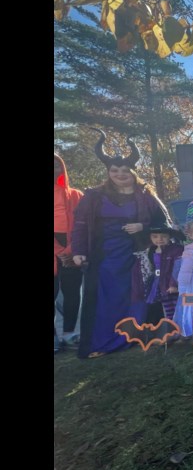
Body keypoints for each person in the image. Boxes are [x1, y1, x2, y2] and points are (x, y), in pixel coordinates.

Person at [71, 132, 171, 359]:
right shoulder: (94, 196)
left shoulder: (145, 194)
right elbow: (79, 224)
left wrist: (143, 227)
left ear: (133, 172)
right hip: (104, 257)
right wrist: (78, 251)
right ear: (108, 173)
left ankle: (136, 336)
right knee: (106, 299)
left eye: (125, 171)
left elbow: (164, 224)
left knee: (137, 295)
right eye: (115, 171)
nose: (120, 175)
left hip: (137, 255)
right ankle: (103, 342)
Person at [54, 153, 84, 352]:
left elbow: (83, 225)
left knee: (73, 294)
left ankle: (69, 333)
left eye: (56, 165)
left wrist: (70, 250)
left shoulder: (76, 195)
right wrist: (59, 251)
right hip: (56, 248)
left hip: (72, 250)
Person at [131, 223, 185, 323]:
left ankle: (178, 331)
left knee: (176, 308)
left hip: (170, 285)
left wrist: (173, 284)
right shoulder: (150, 251)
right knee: (163, 309)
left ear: (170, 236)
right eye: (155, 236)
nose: (159, 239)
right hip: (158, 284)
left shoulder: (177, 250)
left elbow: (178, 268)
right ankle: (168, 331)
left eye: (163, 236)